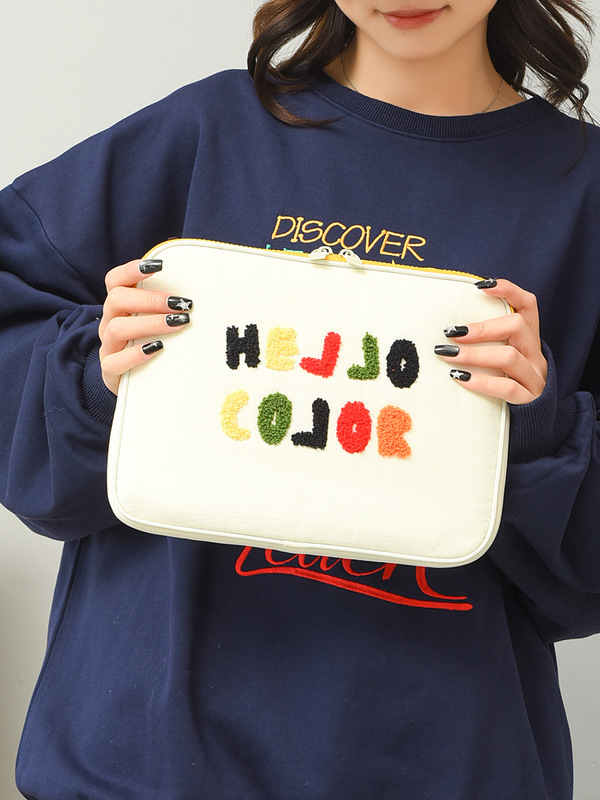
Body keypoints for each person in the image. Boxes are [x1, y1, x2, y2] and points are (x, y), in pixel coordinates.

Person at [1, 0, 599, 797]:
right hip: (143, 763)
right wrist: (96, 375)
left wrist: (537, 427)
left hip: (442, 765)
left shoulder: (581, 190)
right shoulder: (207, 130)